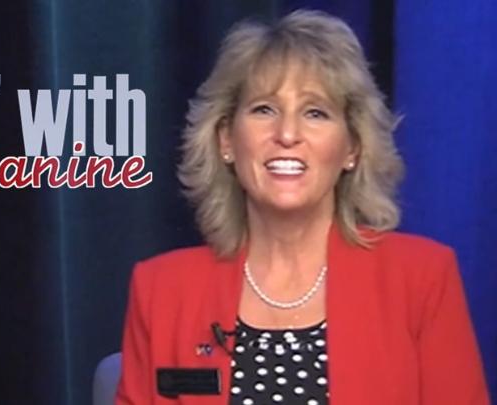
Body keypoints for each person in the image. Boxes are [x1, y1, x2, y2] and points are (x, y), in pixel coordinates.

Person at [116, 10, 490, 405]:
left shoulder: (422, 280)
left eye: (315, 113)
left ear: (352, 147)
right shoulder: (162, 290)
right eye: (264, 109)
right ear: (226, 139)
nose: (287, 134)